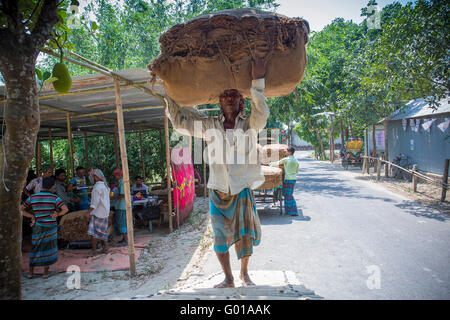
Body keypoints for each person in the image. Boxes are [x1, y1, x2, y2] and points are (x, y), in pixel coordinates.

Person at [166, 57, 269, 288]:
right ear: (220, 102)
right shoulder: (209, 125)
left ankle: (244, 274)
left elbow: (262, 116)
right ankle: (228, 278)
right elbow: (181, 123)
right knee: (220, 239)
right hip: (218, 190)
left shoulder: (249, 124)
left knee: (245, 235)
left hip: (241, 187)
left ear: (241, 101)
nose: (230, 99)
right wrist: (170, 95)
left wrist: (257, 81)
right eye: (225, 96)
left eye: (234, 95)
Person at [20, 177, 68, 279]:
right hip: (50, 226)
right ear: (52, 186)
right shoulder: (55, 198)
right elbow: (65, 209)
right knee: (48, 248)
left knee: (35, 248)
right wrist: (57, 214)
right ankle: (45, 273)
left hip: (37, 226)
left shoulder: (33, 197)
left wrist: (32, 216)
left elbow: (21, 209)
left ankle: (30, 273)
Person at [86, 169, 111, 256]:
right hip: (105, 212)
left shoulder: (96, 187)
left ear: (96, 177)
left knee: (94, 232)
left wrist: (88, 212)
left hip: (98, 212)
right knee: (103, 231)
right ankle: (106, 248)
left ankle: (94, 251)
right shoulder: (105, 186)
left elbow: (94, 203)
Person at [269, 147, 300, 216]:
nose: (286, 152)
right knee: (289, 194)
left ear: (289, 152)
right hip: (293, 179)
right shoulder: (296, 161)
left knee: (288, 195)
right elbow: (297, 171)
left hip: (288, 179)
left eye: (286, 151)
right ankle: (291, 211)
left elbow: (277, 163)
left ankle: (292, 211)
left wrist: (269, 164)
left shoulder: (286, 159)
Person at [110, 168, 127, 246]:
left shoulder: (122, 183)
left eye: (116, 175)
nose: (115, 177)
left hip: (121, 206)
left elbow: (123, 195)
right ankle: (124, 238)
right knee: (122, 222)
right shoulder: (121, 182)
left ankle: (125, 239)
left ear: (119, 175)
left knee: (121, 223)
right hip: (121, 205)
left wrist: (114, 198)